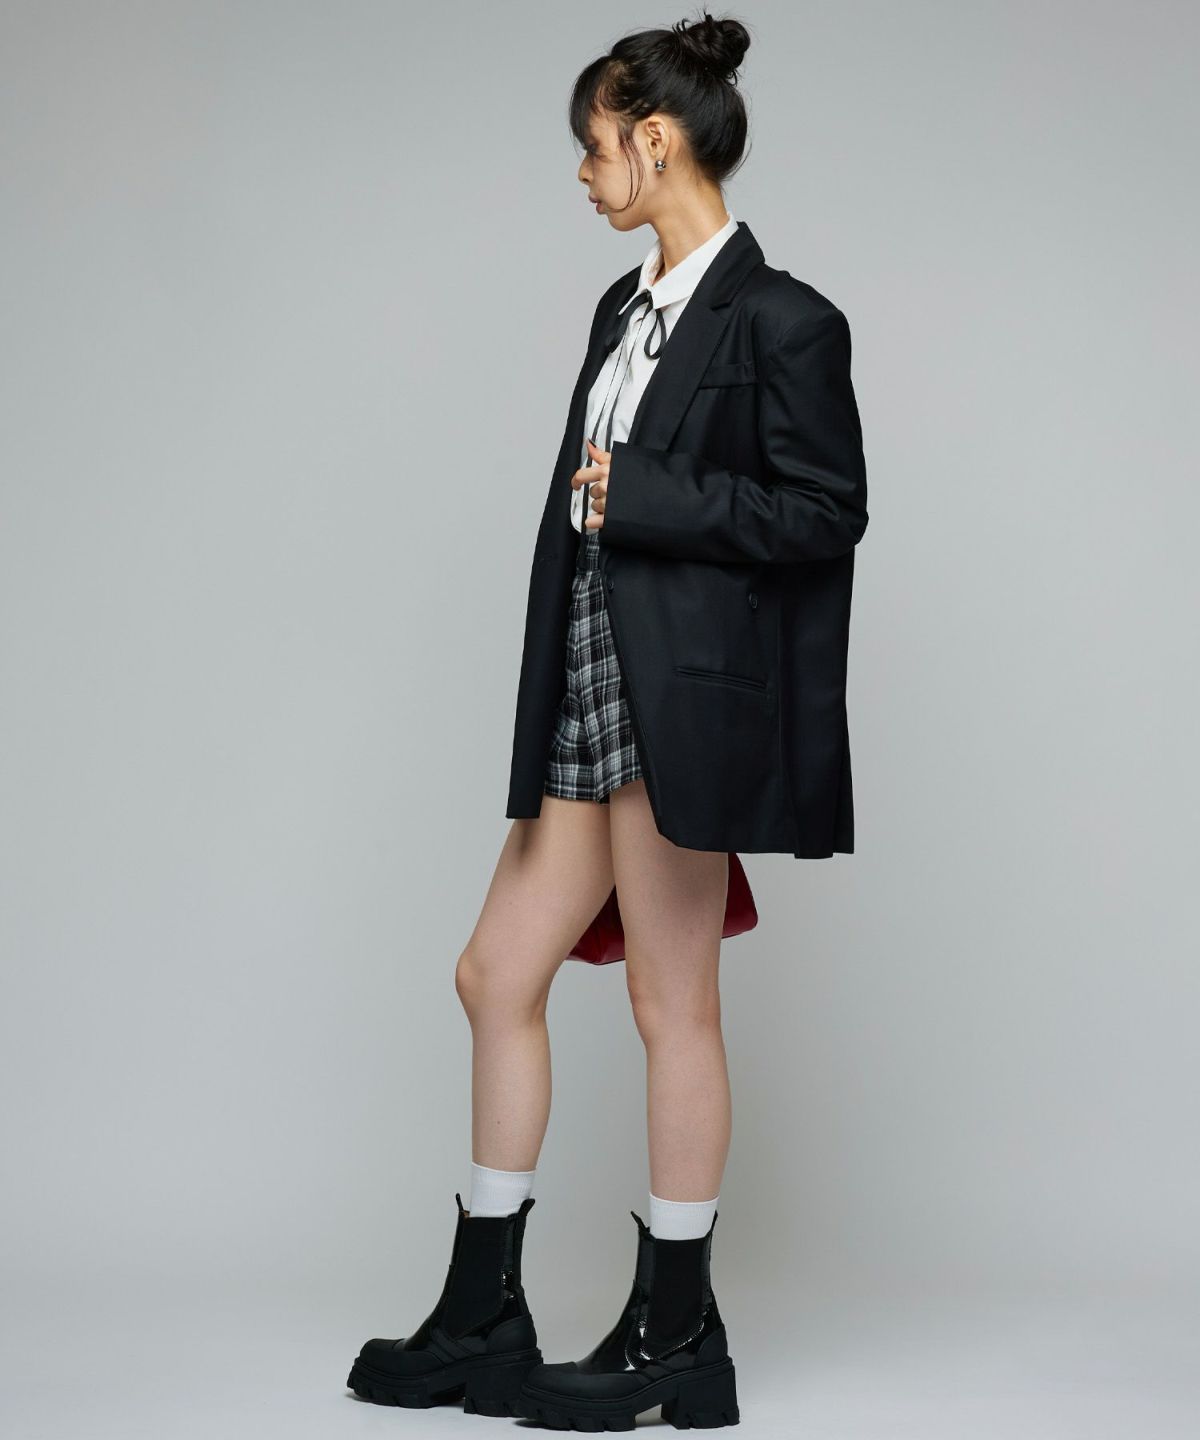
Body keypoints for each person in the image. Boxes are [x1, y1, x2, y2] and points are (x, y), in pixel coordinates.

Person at [347, 9, 868, 1430]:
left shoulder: (785, 320)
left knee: (667, 1002)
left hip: (682, 705)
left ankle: (678, 1334)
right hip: (585, 680)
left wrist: (646, 497)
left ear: (657, 140)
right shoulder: (620, 312)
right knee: (493, 973)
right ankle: (484, 1310)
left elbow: (827, 512)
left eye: (593, 149)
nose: (582, 176)